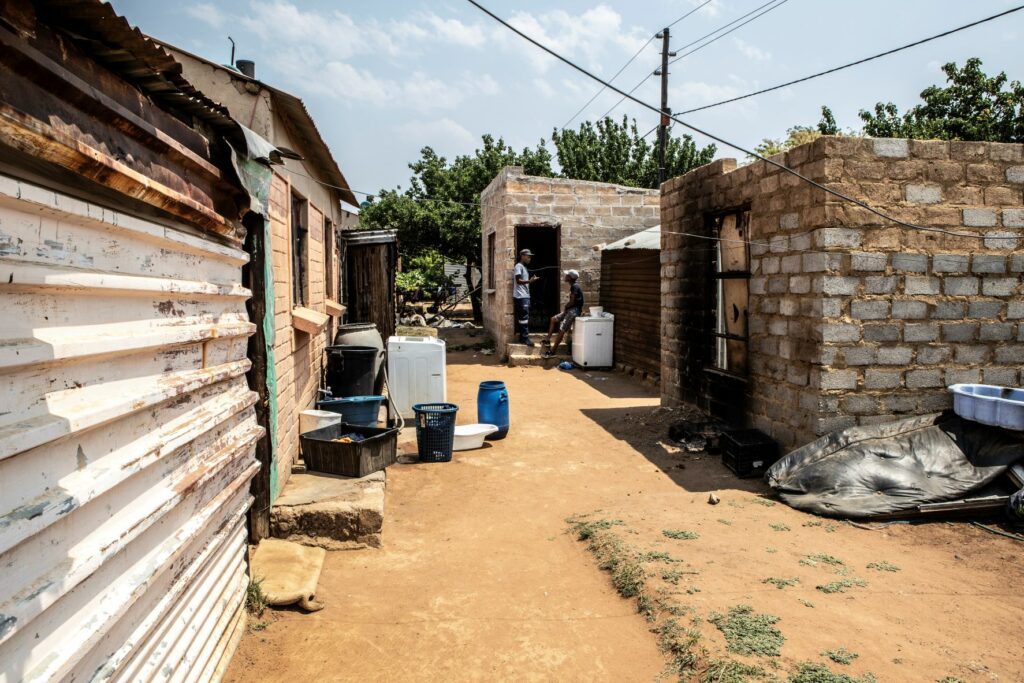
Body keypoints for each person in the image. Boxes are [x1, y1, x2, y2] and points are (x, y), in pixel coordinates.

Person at [542, 269, 584, 358]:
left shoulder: (575, 287)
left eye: (567, 275)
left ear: (570, 278)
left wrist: (566, 307)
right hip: (571, 309)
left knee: (562, 329)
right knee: (553, 319)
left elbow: (572, 302)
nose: (565, 276)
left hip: (574, 311)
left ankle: (552, 351)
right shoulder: (574, 286)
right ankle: (547, 340)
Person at [513, 248, 539, 346]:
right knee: (524, 318)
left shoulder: (523, 267)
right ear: (522, 256)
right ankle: (525, 338)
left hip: (524, 296)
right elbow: (518, 280)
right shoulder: (518, 266)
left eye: (530, 257)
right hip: (521, 296)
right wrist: (530, 281)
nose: (529, 259)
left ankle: (522, 338)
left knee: (523, 318)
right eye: (528, 257)